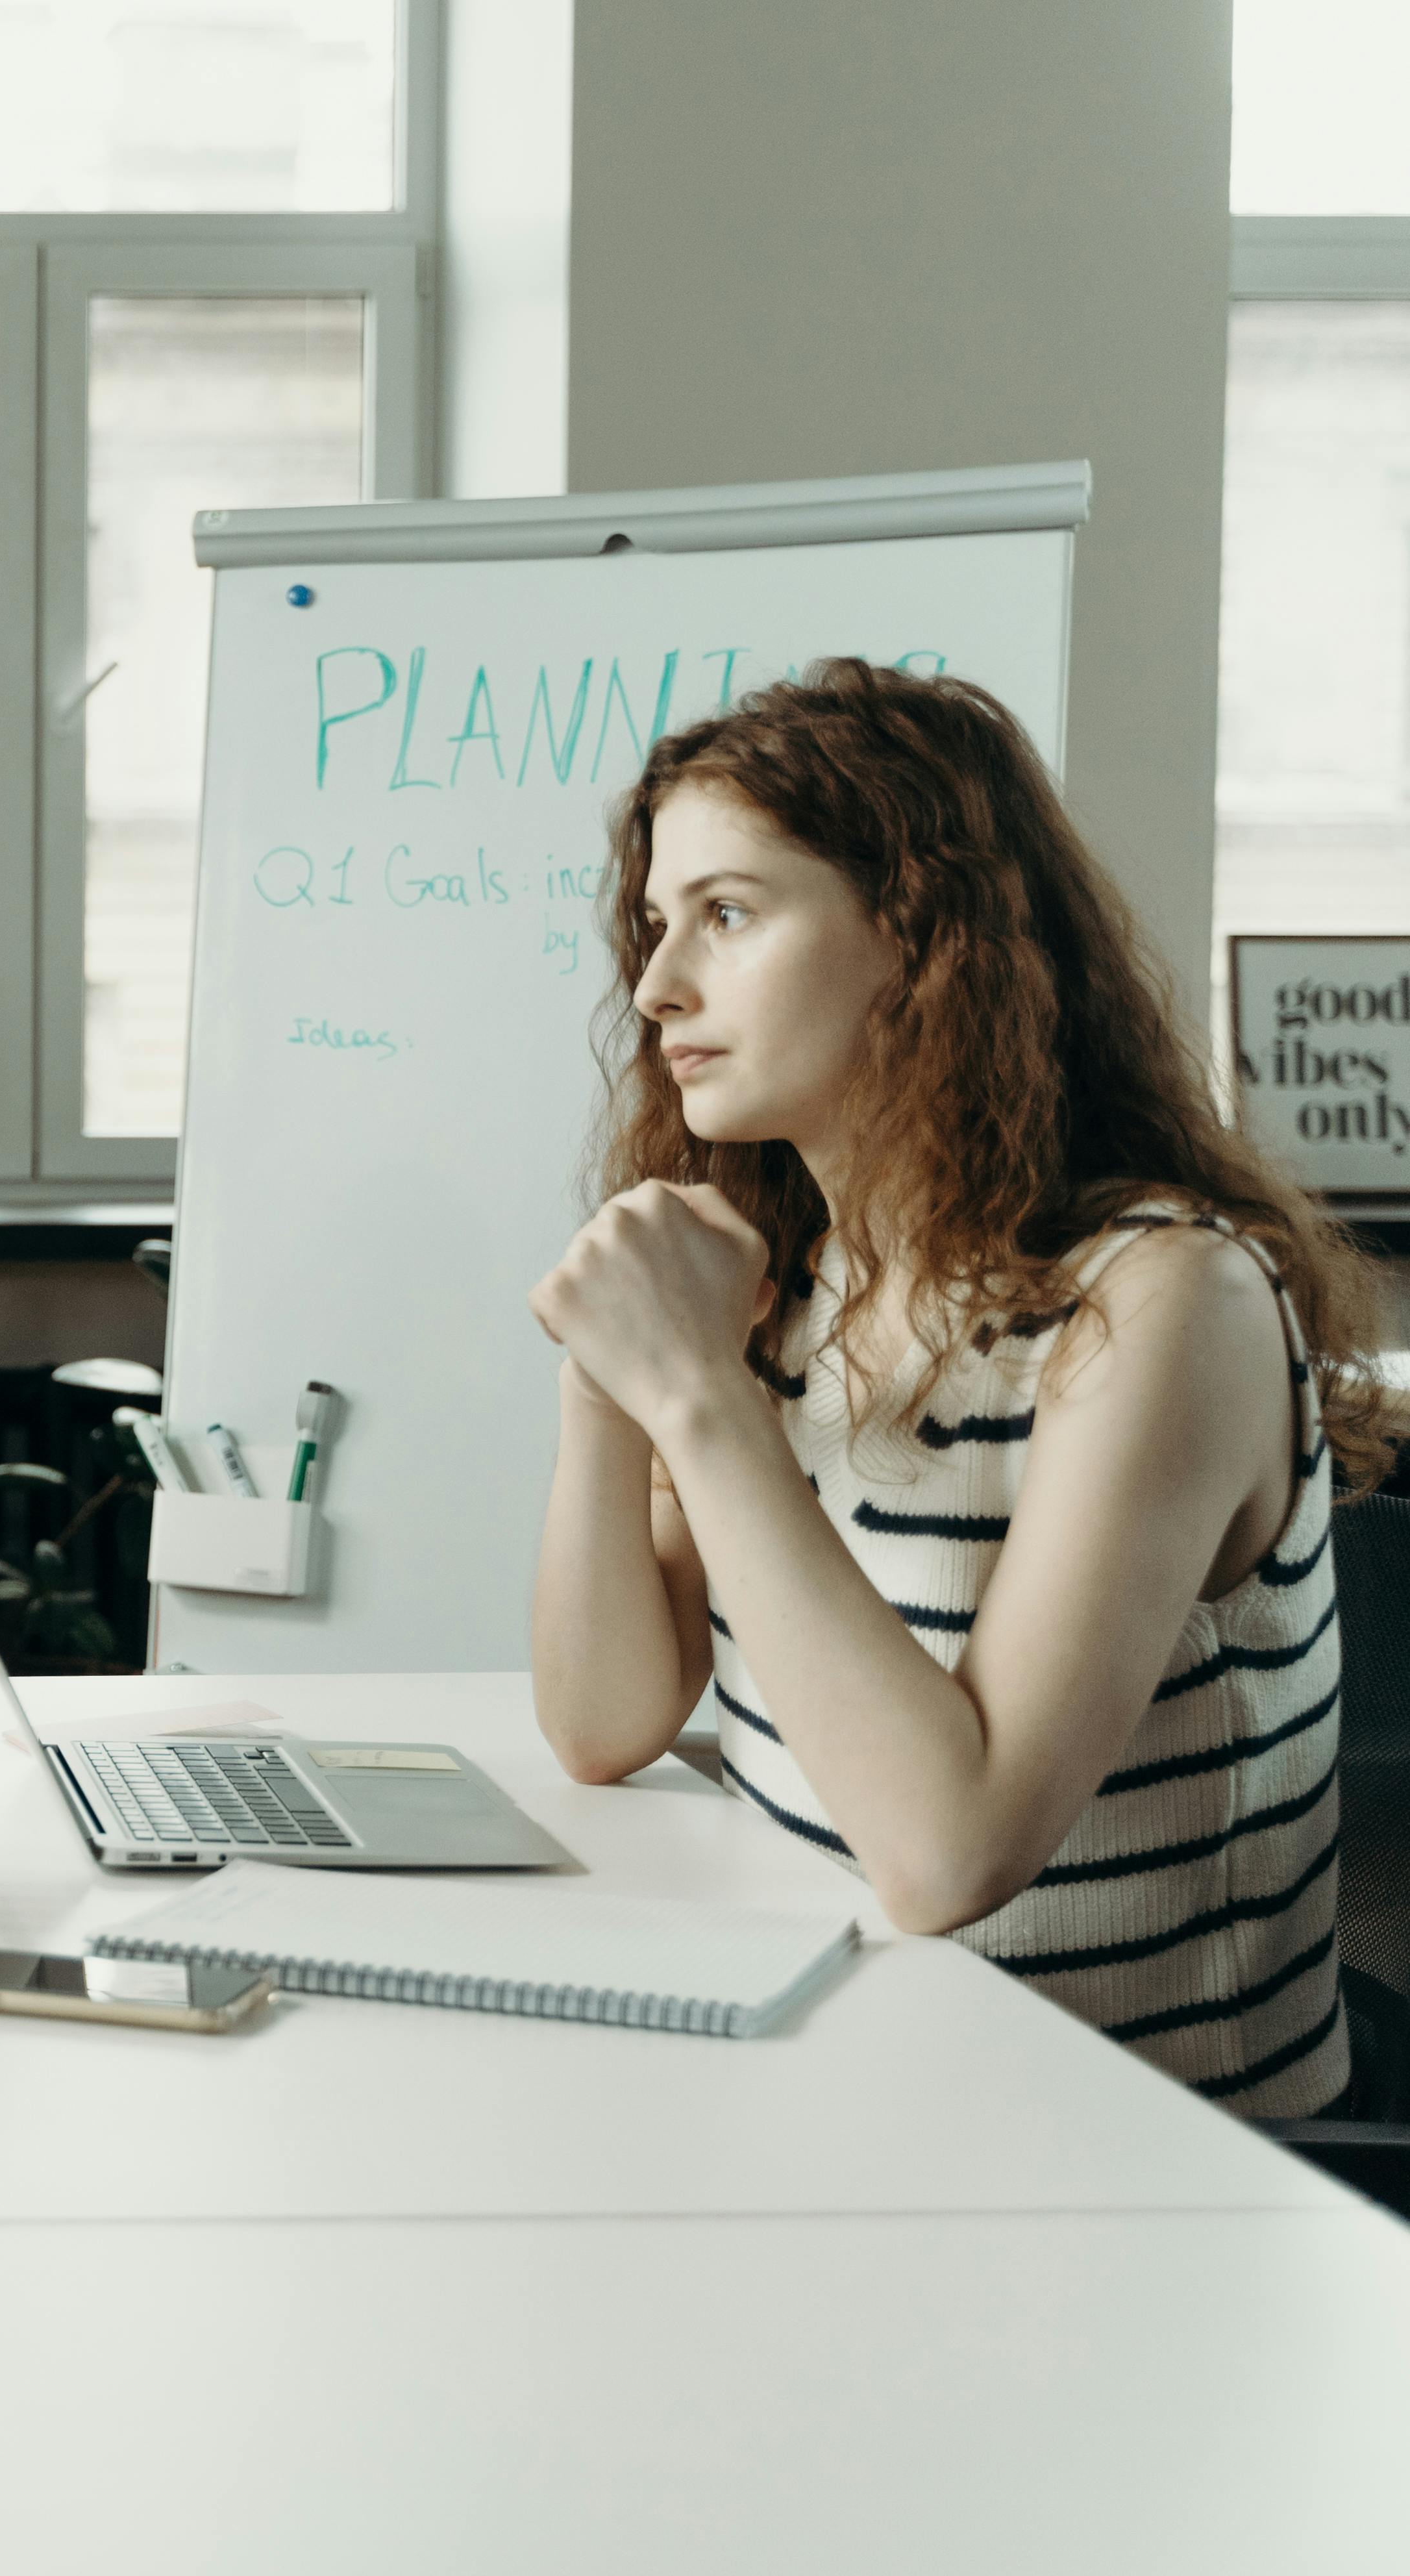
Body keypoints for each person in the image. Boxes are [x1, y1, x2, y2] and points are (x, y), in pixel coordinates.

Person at [526, 659, 1392, 2116]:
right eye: (654, 923)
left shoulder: (1161, 1299)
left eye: (726, 914)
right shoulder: (783, 1278)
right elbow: (602, 1721)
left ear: (920, 940)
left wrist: (693, 1398)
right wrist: (609, 1381)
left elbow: (946, 1853)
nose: (656, 983)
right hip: (853, 2086)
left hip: (1150, 2167)